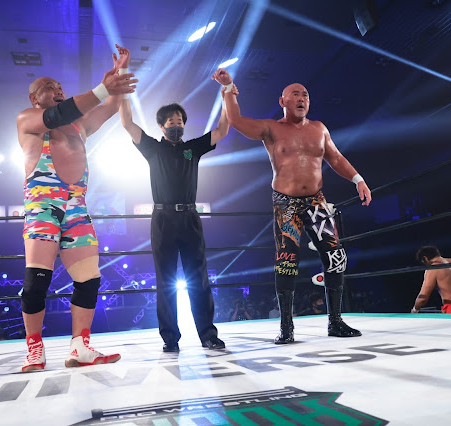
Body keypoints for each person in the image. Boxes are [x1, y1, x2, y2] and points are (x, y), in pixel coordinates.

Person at [212, 69, 370, 343]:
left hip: (317, 201)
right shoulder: (271, 129)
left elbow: (335, 158)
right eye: (295, 94)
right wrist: (228, 88)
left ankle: (335, 321)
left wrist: (358, 179)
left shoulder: (319, 128)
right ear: (282, 101)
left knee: (335, 256)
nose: (301, 98)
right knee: (286, 262)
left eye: (305, 95)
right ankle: (286, 327)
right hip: (286, 203)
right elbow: (236, 120)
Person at [17, 44, 137, 371]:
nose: (57, 90)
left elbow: (111, 104)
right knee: (36, 280)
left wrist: (121, 73)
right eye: (49, 87)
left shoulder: (79, 126)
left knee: (89, 278)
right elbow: (58, 114)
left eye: (60, 87)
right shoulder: (28, 119)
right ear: (34, 98)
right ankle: (34, 348)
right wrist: (102, 88)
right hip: (43, 204)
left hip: (76, 206)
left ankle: (80, 346)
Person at [119, 51, 229, 352]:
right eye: (171, 121)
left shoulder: (193, 147)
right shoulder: (152, 148)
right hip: (163, 219)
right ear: (162, 126)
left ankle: (208, 335)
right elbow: (127, 122)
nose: (176, 124)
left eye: (180, 120)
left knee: (199, 278)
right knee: (165, 280)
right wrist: (123, 82)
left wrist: (227, 92)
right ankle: (170, 339)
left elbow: (222, 129)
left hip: (190, 217)